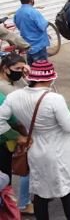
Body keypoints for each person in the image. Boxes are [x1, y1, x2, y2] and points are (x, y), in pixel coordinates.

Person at [0, 60, 70, 219]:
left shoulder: (14, 96)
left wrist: (17, 137)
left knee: (40, 193)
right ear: (51, 79)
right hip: (59, 151)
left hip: (34, 148)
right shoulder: (55, 99)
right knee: (66, 192)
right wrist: (69, 111)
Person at [0, 54, 32, 215]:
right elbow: (25, 96)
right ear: (5, 69)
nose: (20, 72)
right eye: (17, 69)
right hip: (5, 139)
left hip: (8, 137)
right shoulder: (4, 88)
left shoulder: (9, 81)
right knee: (5, 178)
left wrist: (23, 74)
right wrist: (20, 136)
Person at [14, 0, 49, 64]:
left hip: (27, 46)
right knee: (41, 70)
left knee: (31, 70)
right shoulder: (33, 12)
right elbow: (43, 26)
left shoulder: (17, 13)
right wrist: (46, 23)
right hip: (38, 46)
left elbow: (18, 26)